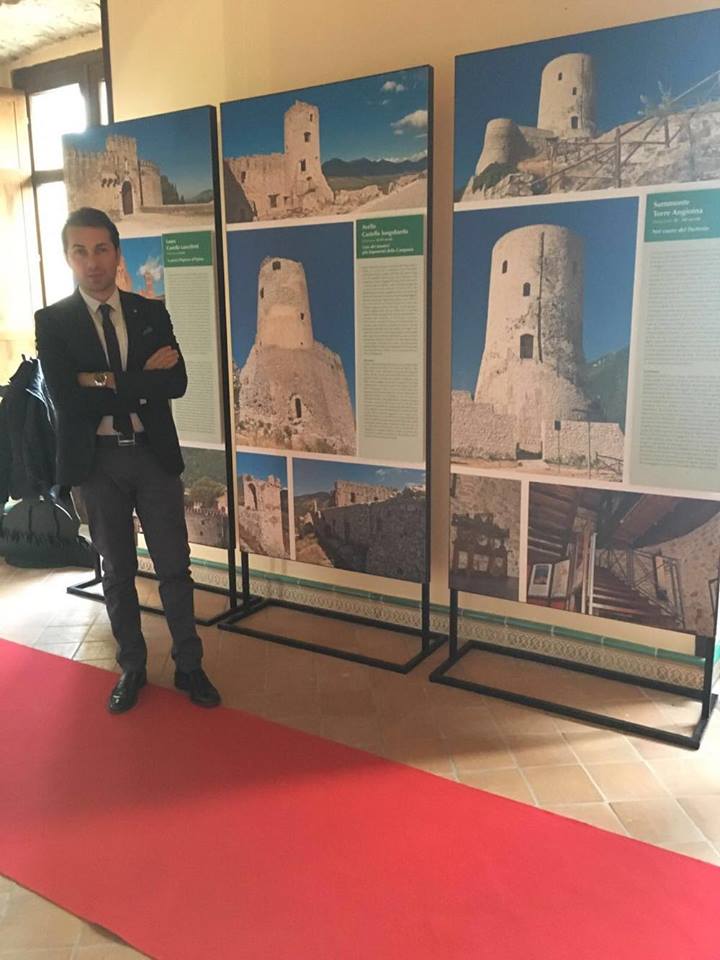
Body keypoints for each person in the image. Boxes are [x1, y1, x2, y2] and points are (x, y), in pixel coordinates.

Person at [35, 207, 221, 714]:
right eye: (80, 251)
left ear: (117, 253)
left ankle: (189, 664)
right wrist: (138, 380)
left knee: (175, 567)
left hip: (152, 456)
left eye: (101, 249)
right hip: (95, 463)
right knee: (116, 571)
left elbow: (176, 382)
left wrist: (99, 380)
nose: (92, 261)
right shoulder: (53, 322)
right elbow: (66, 398)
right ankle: (132, 667)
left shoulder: (149, 313)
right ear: (68, 257)